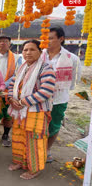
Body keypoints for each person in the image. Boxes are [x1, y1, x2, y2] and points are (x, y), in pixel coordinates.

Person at [7, 40, 56, 180]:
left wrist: (22, 102)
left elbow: (46, 91)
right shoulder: (22, 68)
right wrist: (11, 99)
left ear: (40, 52)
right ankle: (19, 162)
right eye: (25, 50)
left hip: (36, 112)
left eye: (32, 49)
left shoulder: (46, 68)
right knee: (18, 136)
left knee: (35, 140)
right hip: (19, 111)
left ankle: (35, 169)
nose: (28, 52)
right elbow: (12, 84)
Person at [42, 27, 81, 163]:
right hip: (39, 98)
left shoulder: (72, 59)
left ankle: (47, 150)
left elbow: (74, 81)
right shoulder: (39, 54)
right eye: (46, 38)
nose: (47, 41)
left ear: (61, 39)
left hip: (59, 99)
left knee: (54, 125)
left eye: (51, 38)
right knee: (36, 125)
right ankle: (36, 149)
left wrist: (58, 89)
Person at [0, 35, 22, 147]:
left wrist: (4, 85)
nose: (2, 43)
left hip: (9, 90)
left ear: (9, 44)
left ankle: (6, 135)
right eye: (0, 41)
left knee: (8, 114)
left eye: (5, 41)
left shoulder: (17, 58)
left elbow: (18, 74)